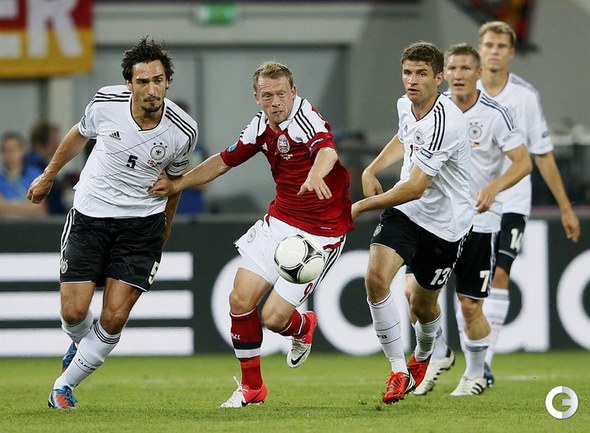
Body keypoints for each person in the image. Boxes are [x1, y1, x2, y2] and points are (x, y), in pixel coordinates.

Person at [149, 60, 353, 408]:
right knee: (239, 299)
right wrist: (178, 183)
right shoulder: (259, 126)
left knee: (274, 318)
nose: (276, 102)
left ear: (294, 92)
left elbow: (327, 151)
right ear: (256, 97)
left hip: (320, 233)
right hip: (281, 220)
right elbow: (223, 160)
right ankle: (252, 387)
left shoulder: (306, 119)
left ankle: (301, 326)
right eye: (267, 95)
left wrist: (317, 173)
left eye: (281, 94)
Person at [27, 37, 198, 409]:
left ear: (168, 82)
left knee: (115, 315)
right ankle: (81, 345)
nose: (151, 89)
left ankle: (63, 387)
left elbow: (174, 184)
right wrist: (48, 175)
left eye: (158, 80)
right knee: (73, 312)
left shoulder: (184, 131)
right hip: (91, 215)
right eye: (143, 82)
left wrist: (165, 229)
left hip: (142, 224)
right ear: (129, 84)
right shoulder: (106, 102)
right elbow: (78, 134)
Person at [351, 41, 473, 404]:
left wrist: (361, 206)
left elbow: (416, 187)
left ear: (439, 78)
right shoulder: (405, 104)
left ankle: (424, 352)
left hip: (445, 225)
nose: (412, 80)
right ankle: (398, 371)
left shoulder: (447, 122)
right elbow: (404, 138)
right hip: (406, 213)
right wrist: (371, 169)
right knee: (375, 279)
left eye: (421, 73)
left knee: (422, 307)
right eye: (407, 72)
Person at [411, 43, 531, 396]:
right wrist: (374, 168)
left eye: (465, 68)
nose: (458, 75)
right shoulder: (435, 109)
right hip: (437, 220)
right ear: (443, 73)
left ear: (478, 73)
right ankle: (440, 352)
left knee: (468, 305)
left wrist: (494, 187)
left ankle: (476, 373)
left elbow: (523, 162)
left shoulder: (496, 114)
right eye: (452, 68)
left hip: (480, 222)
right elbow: (404, 142)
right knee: (414, 295)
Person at [477, 21, 580, 385]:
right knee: (469, 281)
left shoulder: (525, 96)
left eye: (500, 46)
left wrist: (565, 207)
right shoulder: (464, 91)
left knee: (500, 274)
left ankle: (483, 364)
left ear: (511, 52)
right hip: (472, 201)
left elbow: (543, 154)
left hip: (513, 200)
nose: (494, 51)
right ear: (480, 48)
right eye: (488, 44)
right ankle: (443, 353)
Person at [0, 132, 48, 218]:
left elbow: (40, 209)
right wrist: (27, 206)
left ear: (23, 151)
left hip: (32, 225)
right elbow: (1, 209)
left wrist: (9, 205)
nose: (9, 153)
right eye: (5, 150)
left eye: (13, 149)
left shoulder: (36, 175)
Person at [24, 121, 68, 214]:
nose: (59, 143)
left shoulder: (41, 164)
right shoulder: (35, 167)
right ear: (41, 142)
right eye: (54, 140)